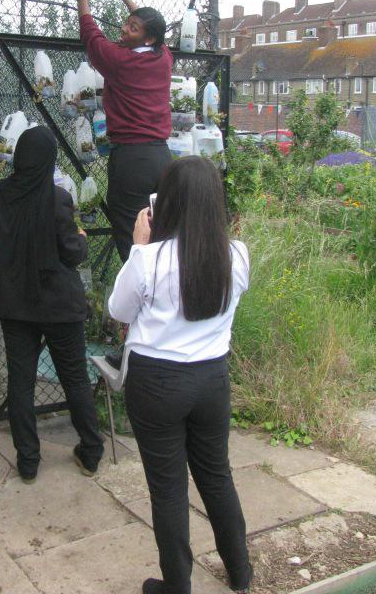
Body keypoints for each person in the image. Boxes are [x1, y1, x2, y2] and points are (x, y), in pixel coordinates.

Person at [108, 156, 253, 594]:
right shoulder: (237, 254)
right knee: (216, 475)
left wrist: (139, 245)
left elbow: (118, 311)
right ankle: (241, 573)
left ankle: (178, 587)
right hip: (211, 378)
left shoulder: (149, 259)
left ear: (165, 203)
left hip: (156, 383)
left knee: (168, 488)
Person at [0, 125, 104, 483]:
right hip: (58, 306)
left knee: (20, 383)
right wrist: (81, 237)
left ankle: (28, 461)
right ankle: (91, 451)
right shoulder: (56, 199)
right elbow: (72, 253)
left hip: (15, 304)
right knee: (74, 378)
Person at [74, 0, 174, 369]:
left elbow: (90, 36)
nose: (125, 29)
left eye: (132, 28)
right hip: (161, 158)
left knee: (131, 243)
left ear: (146, 37)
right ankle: (163, 316)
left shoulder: (119, 62)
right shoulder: (162, 57)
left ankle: (140, 332)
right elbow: (150, 26)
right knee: (162, 237)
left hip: (131, 158)